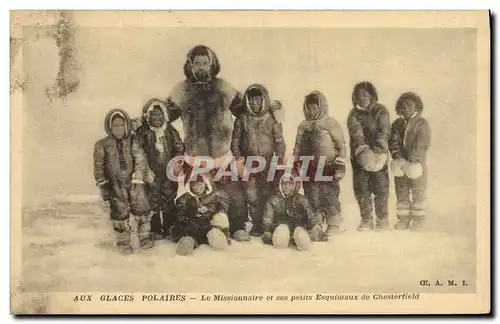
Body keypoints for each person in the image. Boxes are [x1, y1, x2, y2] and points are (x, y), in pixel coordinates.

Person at [165, 45, 282, 242]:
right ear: (190, 65)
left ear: (212, 65)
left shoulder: (223, 88)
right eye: (197, 63)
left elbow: (246, 108)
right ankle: (196, 232)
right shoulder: (181, 91)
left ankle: (236, 227)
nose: (201, 67)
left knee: (234, 194)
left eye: (205, 63)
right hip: (197, 158)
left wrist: (272, 109)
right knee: (198, 195)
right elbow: (162, 114)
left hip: (223, 155)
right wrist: (141, 120)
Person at [93, 108, 153, 254]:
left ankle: (144, 236)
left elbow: (140, 158)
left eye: (121, 125)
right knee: (119, 212)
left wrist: (138, 176)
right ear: (109, 127)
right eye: (115, 126)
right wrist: (102, 183)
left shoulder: (132, 140)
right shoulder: (102, 144)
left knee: (142, 208)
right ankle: (123, 241)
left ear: (126, 125)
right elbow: (98, 165)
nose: (118, 129)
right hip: (115, 184)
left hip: (134, 182)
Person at [231, 84, 286, 236]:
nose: (255, 103)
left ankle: (267, 223)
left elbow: (279, 141)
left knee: (268, 192)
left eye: (258, 99)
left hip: (268, 162)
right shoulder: (242, 119)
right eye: (251, 100)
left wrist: (279, 159)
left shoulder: (271, 119)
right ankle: (256, 224)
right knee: (252, 195)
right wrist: (239, 158)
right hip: (249, 163)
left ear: (263, 100)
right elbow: (235, 141)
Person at [293, 91, 347, 236]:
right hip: (309, 167)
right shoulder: (303, 126)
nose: (312, 111)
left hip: (327, 165)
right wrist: (296, 163)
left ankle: (333, 223)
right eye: (309, 108)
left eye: (315, 108)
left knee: (329, 195)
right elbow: (297, 146)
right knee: (312, 195)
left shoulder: (330, 123)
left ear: (322, 107)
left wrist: (340, 165)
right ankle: (315, 222)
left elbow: (341, 145)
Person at [135, 98, 184, 240]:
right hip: (151, 173)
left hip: (168, 173)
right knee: (153, 201)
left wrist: (177, 163)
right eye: (153, 115)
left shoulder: (169, 131)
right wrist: (145, 171)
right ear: (147, 116)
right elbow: (139, 151)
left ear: (165, 115)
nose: (157, 118)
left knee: (169, 199)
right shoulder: (143, 132)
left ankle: (170, 228)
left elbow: (179, 148)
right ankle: (155, 229)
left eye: (160, 115)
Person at [347, 82, 391, 231]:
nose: (362, 98)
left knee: (381, 186)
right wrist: (362, 150)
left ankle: (382, 219)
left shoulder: (381, 111)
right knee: (362, 187)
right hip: (360, 155)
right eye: (358, 95)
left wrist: (378, 150)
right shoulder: (354, 114)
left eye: (365, 94)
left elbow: (383, 131)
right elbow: (356, 131)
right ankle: (366, 219)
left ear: (372, 95)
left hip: (379, 155)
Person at [389, 92, 431, 231]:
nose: (406, 108)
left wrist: (414, 158)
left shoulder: (421, 123)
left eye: (409, 105)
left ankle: (418, 220)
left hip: (416, 164)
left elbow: (422, 143)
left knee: (418, 190)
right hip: (401, 164)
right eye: (403, 105)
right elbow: (393, 141)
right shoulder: (397, 124)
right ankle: (403, 219)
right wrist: (397, 156)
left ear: (417, 107)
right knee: (401, 191)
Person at [261, 174, 327, 251]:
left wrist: (315, 228)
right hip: (280, 226)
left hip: (298, 226)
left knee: (304, 242)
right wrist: (267, 231)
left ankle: (298, 239)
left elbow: (310, 216)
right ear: (280, 185)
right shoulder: (273, 200)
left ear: (295, 185)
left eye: (290, 184)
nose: (287, 187)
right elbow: (267, 218)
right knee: (281, 239)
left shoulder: (301, 199)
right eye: (284, 184)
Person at [171, 172, 231, 255]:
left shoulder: (215, 195)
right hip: (193, 228)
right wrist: (193, 213)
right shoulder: (185, 198)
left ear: (205, 184)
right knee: (189, 237)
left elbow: (223, 209)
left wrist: (210, 210)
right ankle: (188, 243)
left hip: (210, 226)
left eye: (199, 184)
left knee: (217, 229)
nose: (196, 188)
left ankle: (217, 238)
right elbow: (180, 213)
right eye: (193, 185)